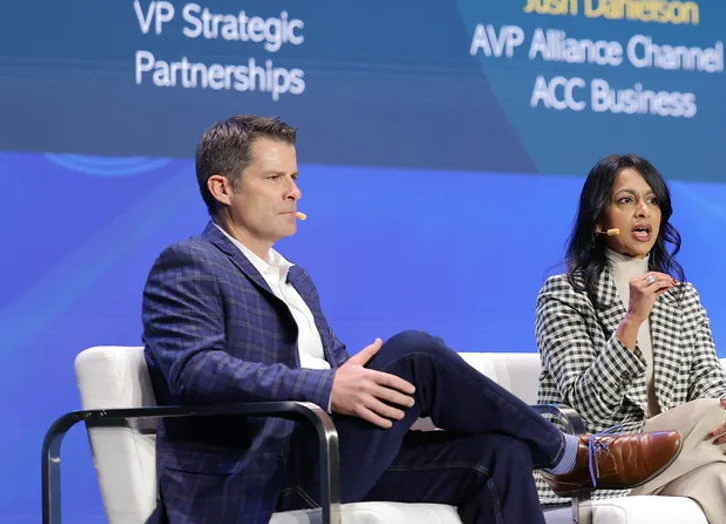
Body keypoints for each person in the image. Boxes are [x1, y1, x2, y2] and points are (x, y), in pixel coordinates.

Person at [141, 116, 682, 524]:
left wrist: (385, 397)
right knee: (416, 352)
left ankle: (552, 452)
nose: (295, 192)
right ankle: (569, 454)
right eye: (276, 178)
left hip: (327, 454)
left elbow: (341, 371)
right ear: (223, 188)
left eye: (295, 177)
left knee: (499, 454)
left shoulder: (294, 278)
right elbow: (194, 372)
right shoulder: (191, 263)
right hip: (259, 473)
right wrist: (328, 386)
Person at [535, 154, 726, 524]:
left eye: (652, 201)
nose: (643, 212)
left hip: (674, 460)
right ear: (599, 220)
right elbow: (587, 408)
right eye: (626, 200)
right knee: (713, 413)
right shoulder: (564, 295)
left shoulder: (681, 297)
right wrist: (632, 319)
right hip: (599, 465)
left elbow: (707, 375)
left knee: (722, 473)